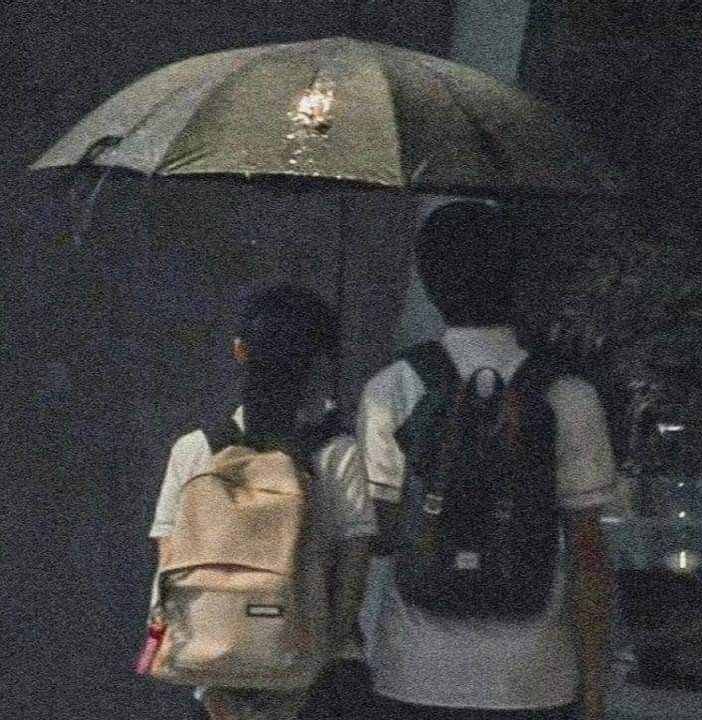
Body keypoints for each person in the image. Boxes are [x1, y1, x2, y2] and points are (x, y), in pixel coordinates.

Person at [356, 202, 616, 720]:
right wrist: (592, 690)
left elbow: (374, 535)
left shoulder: (393, 389)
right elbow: (588, 552)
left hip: (413, 670)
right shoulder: (568, 394)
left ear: (428, 282)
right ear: (518, 279)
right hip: (535, 676)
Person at [149, 285, 375, 720]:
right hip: (318, 682)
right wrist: (307, 674)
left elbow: (169, 570)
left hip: (214, 670)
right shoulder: (336, 452)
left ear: (239, 351)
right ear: (319, 364)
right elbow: (352, 579)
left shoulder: (195, 450)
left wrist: (209, 691)